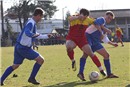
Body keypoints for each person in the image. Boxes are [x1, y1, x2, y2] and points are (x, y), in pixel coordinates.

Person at [0, 8, 51, 86]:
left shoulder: (31, 22)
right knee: (40, 60)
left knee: (15, 65)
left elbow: (35, 34)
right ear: (38, 15)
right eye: (41, 17)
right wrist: (32, 35)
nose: (41, 19)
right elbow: (27, 32)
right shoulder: (31, 23)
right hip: (24, 48)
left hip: (18, 46)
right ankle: (32, 78)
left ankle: (0, 80)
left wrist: (46, 36)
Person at [65, 8, 109, 81]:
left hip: (82, 39)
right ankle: (73, 61)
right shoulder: (74, 17)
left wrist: (102, 31)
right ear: (80, 14)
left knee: (90, 53)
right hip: (72, 38)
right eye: (83, 16)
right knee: (69, 47)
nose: (84, 18)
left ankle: (101, 70)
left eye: (86, 17)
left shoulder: (88, 19)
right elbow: (69, 19)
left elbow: (96, 23)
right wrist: (78, 17)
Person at [78, 11, 119, 81]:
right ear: (105, 15)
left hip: (96, 43)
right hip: (88, 38)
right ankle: (80, 73)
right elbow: (95, 23)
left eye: (110, 19)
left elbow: (105, 40)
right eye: (108, 17)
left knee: (106, 55)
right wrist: (101, 31)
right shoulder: (101, 19)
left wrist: (113, 44)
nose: (108, 19)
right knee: (85, 55)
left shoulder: (104, 26)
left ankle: (109, 74)